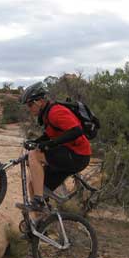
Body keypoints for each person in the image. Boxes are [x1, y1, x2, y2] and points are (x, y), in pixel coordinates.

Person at [20, 82, 91, 211]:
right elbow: (48, 136)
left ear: (40, 101)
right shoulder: (47, 115)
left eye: (30, 104)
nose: (29, 108)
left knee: (35, 155)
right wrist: (35, 142)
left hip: (78, 155)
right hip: (72, 155)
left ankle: (39, 201)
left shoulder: (56, 111)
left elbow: (76, 131)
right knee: (35, 186)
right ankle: (41, 226)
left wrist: (50, 145)